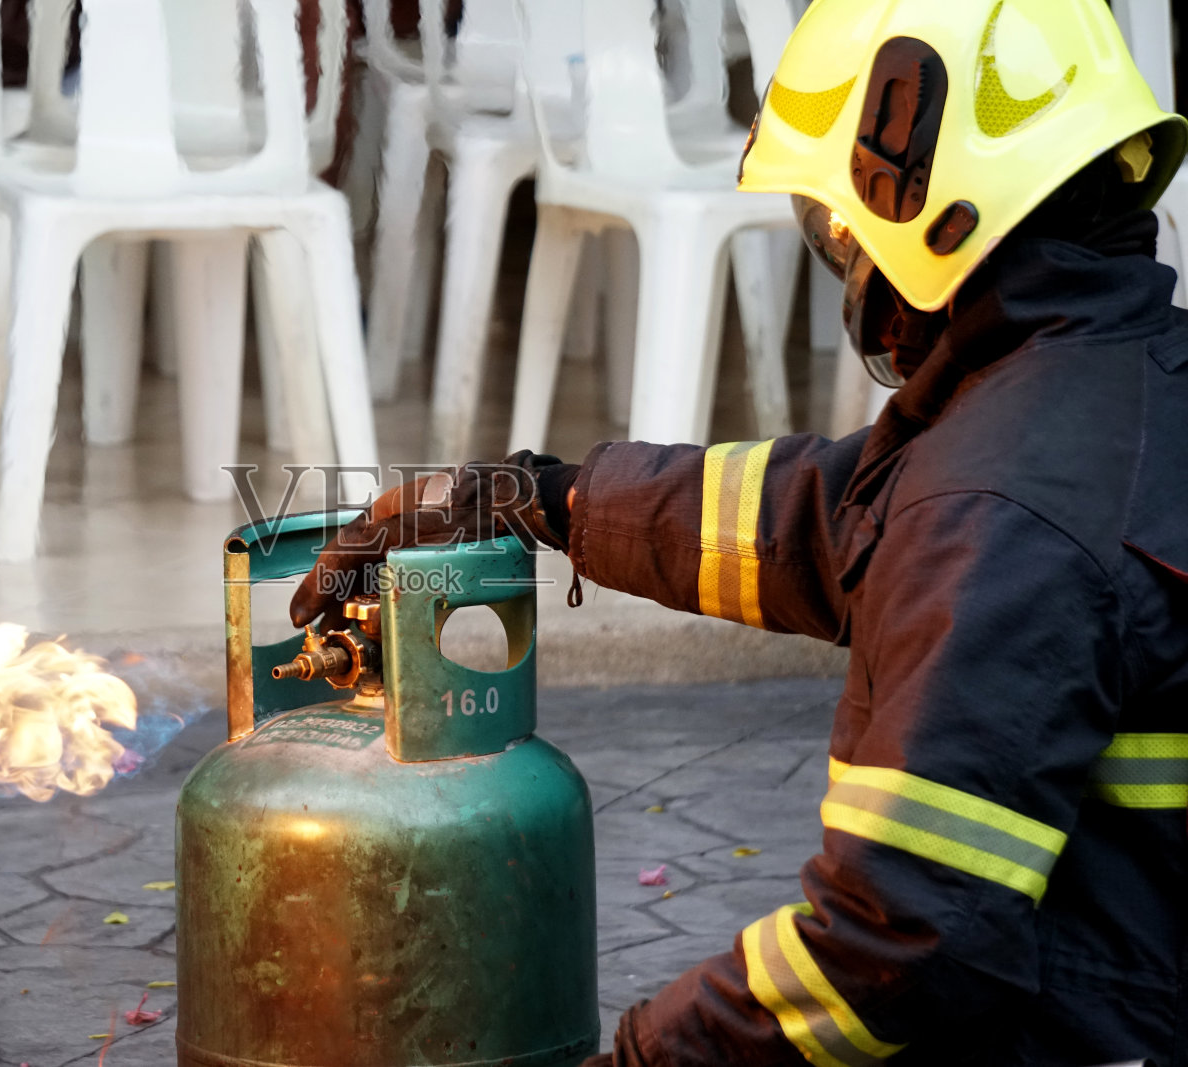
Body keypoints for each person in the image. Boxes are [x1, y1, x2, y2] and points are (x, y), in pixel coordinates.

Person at [291, 0, 1188, 1062]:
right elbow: (833, 519)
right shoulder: (1102, 391)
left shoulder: (1000, 517)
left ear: (923, 209)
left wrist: (638, 1057)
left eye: (837, 230)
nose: (842, 261)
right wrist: (534, 496)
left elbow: (897, 947)